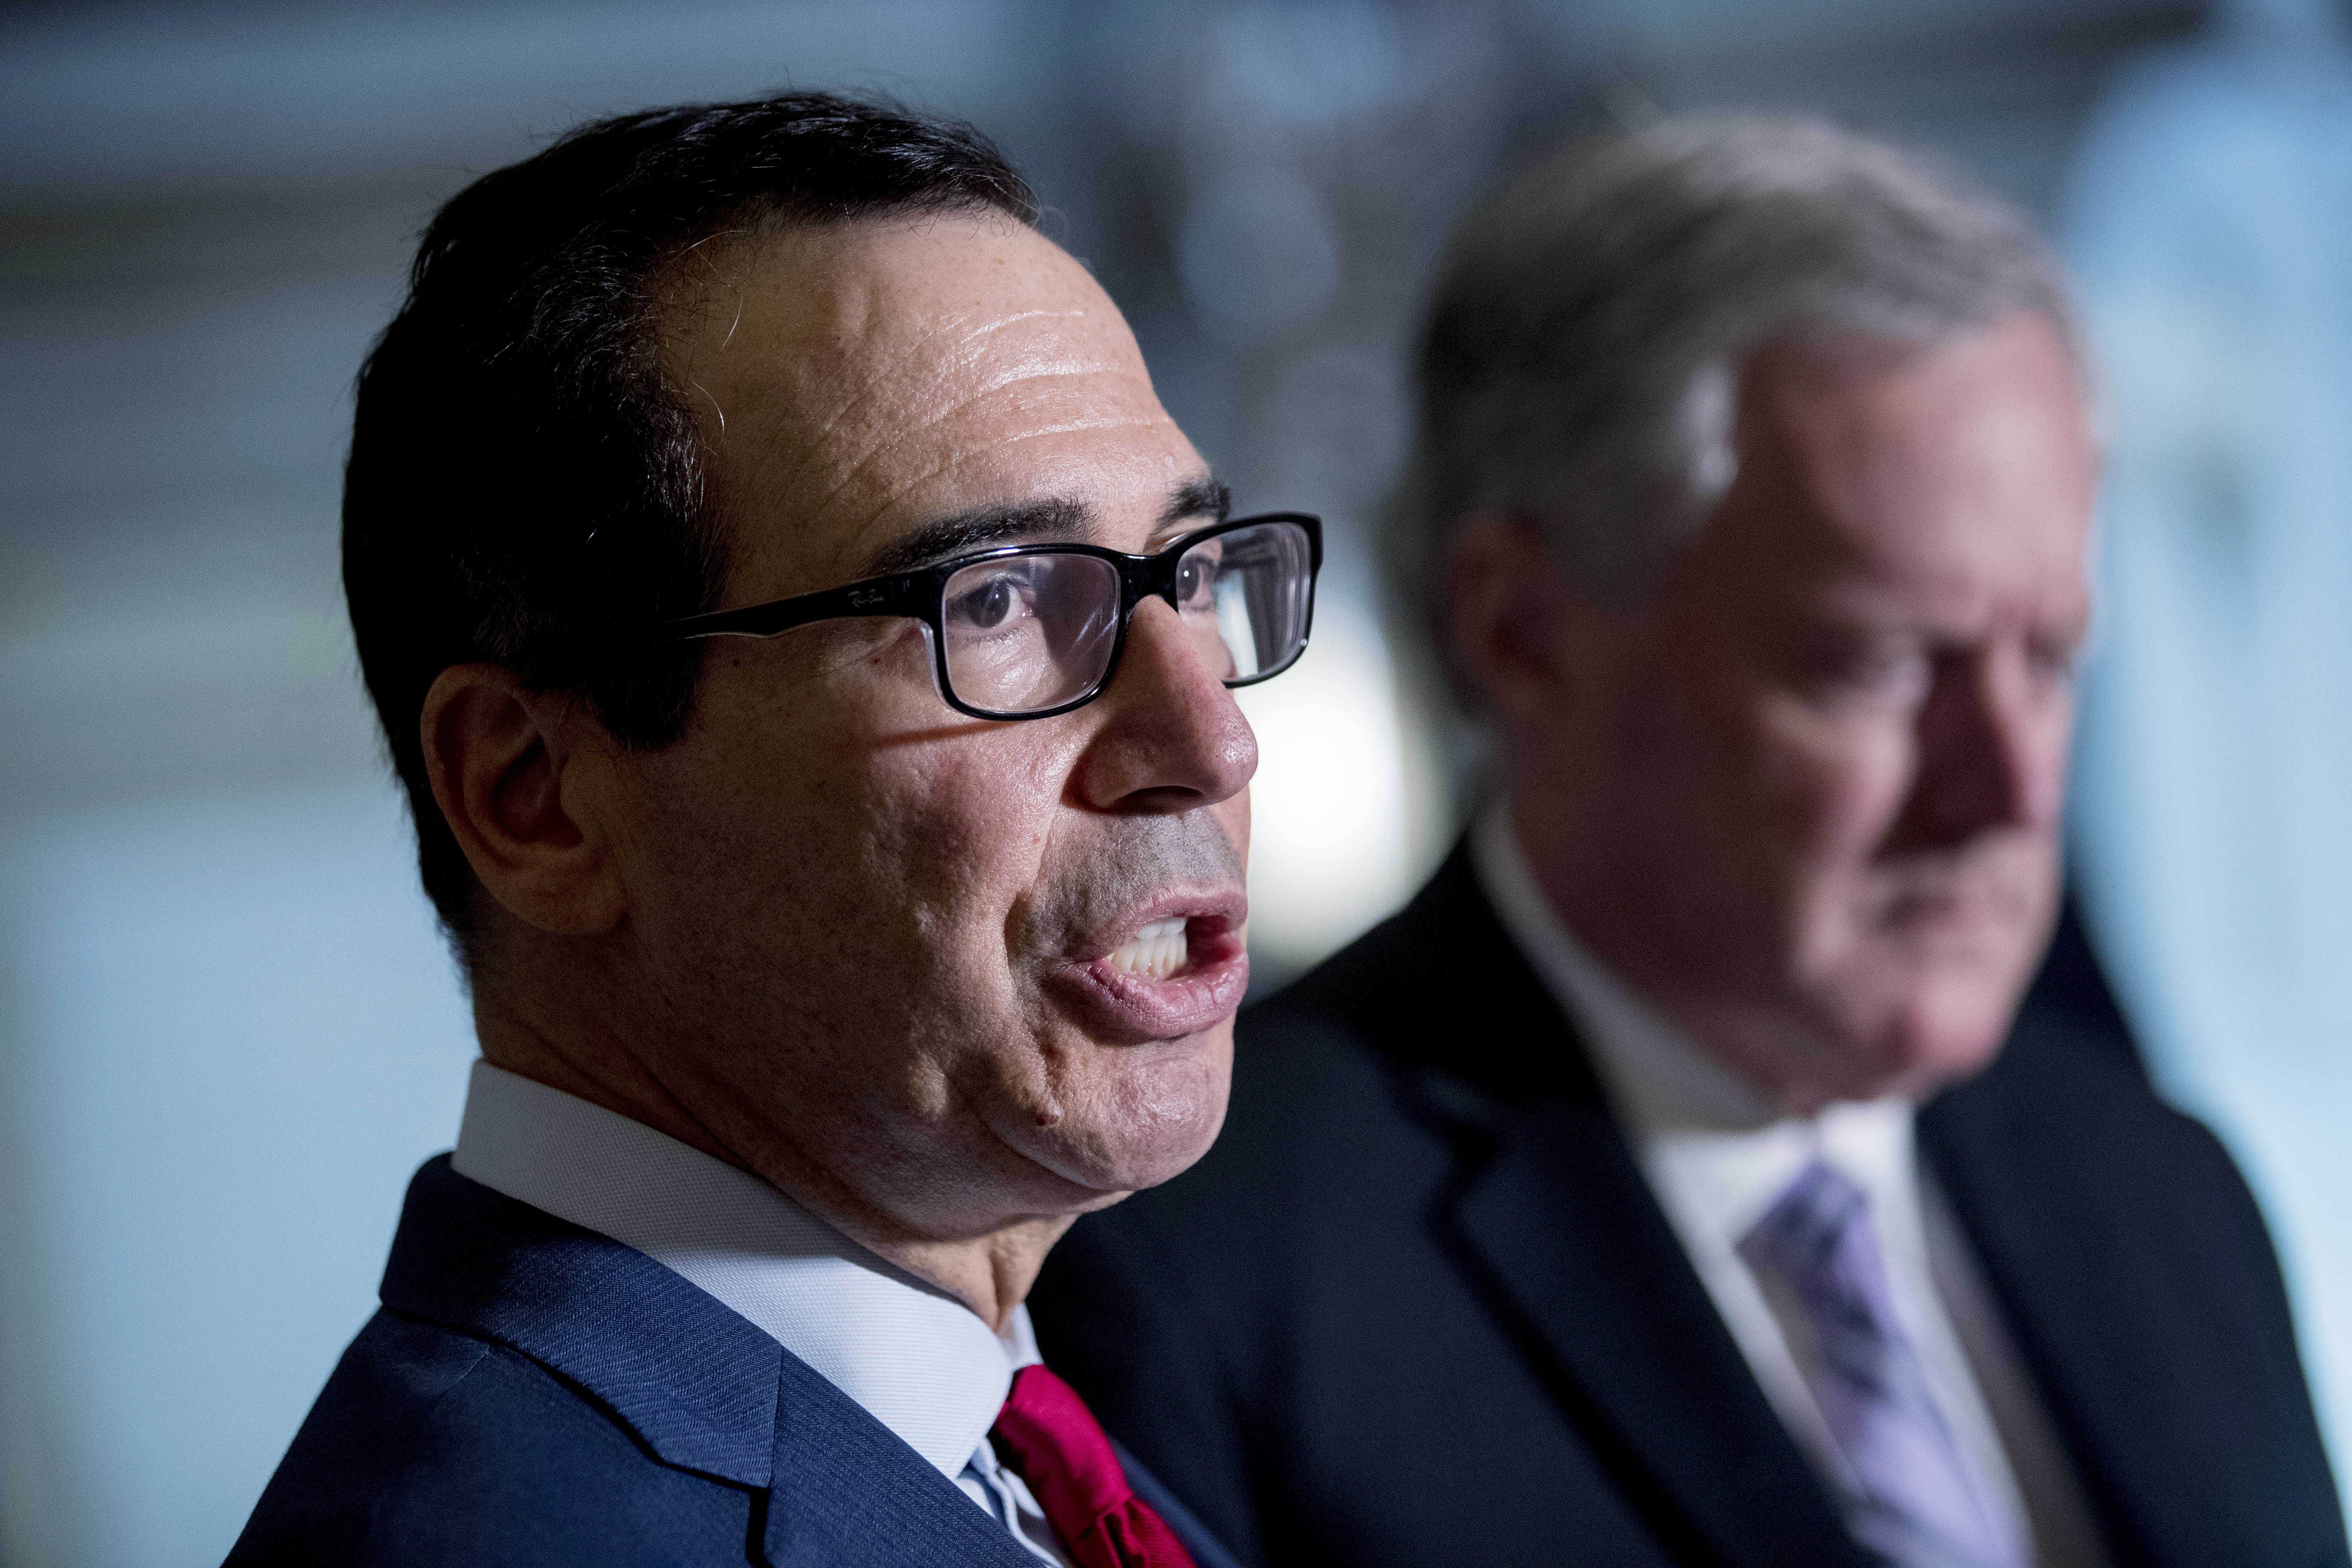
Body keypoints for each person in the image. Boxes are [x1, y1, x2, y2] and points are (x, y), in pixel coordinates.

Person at [1029, 116, 2348, 1568]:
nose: (2014, 790)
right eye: (1884, 665)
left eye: (2050, 658)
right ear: (1522, 631)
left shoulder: (2159, 1181)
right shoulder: (1197, 1273)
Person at [227, 92, 1322, 1567]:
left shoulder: (1027, 1445)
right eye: (993, 601)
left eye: (1185, 577)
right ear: (534, 798)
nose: (1213, 740)